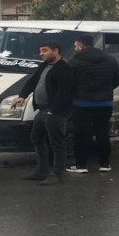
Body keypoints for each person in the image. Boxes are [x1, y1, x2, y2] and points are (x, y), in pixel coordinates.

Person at [13, 41, 74, 186]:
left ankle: (57, 175)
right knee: (36, 138)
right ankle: (41, 170)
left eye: (44, 50)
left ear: (56, 51)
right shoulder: (44, 65)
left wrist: (54, 109)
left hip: (55, 112)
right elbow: (32, 81)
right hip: (42, 110)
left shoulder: (64, 69)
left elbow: (66, 92)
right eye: (40, 51)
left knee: (57, 143)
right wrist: (22, 96)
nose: (41, 54)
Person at [67, 35, 119, 173]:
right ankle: (104, 164)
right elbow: (116, 80)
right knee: (102, 133)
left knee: (81, 134)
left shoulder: (74, 62)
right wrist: (105, 91)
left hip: (81, 103)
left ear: (80, 45)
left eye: (75, 46)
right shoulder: (110, 59)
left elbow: (69, 83)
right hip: (105, 103)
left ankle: (81, 165)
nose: (75, 48)